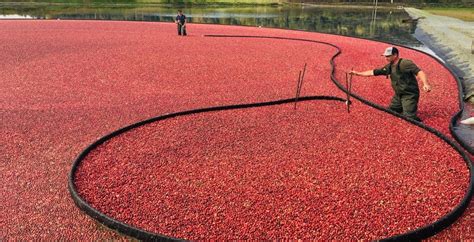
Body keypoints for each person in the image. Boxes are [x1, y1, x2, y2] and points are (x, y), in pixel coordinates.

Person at [350, 46, 432, 122]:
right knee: (392, 110)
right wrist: (357, 73)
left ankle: (416, 118)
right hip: (398, 94)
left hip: (409, 94)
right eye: (385, 56)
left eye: (388, 56)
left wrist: (425, 84)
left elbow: (419, 72)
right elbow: (374, 72)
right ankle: (402, 106)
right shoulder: (389, 66)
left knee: (409, 118)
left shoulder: (405, 63)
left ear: (395, 55)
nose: (386, 58)